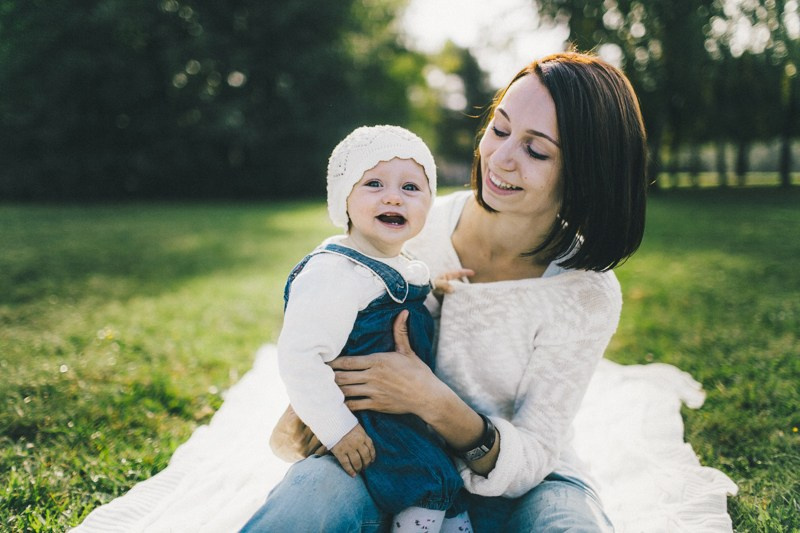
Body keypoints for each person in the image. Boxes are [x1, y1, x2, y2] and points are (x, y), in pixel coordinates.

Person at [242, 51, 648, 532]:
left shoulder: (587, 292)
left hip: (527, 481)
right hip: (386, 454)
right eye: (499, 129)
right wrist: (330, 409)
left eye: (536, 150)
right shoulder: (404, 225)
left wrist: (432, 401)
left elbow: (537, 452)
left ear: (586, 174)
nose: (499, 158)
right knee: (305, 503)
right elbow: (325, 326)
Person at [259, 125, 473, 533]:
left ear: (429, 204)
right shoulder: (333, 272)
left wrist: (436, 290)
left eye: (411, 187)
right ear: (344, 199)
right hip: (365, 421)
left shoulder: (397, 263)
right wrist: (339, 430)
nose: (393, 196)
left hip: (401, 414)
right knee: (428, 484)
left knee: (445, 485)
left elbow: (398, 309)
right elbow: (300, 359)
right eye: (374, 183)